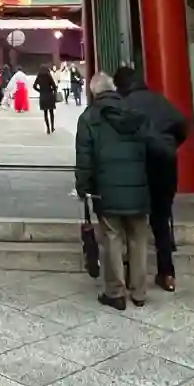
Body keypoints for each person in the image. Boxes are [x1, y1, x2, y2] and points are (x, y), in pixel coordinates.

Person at [75, 71, 153, 309]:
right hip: (138, 186)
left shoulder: (89, 117)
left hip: (106, 188)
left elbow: (84, 159)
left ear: (93, 91)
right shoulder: (134, 112)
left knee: (112, 238)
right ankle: (139, 292)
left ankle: (115, 292)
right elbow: (151, 149)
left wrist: (83, 187)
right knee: (138, 238)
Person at [114, 63, 189, 292]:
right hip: (166, 163)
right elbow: (182, 124)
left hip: (138, 165)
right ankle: (167, 274)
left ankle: (132, 274)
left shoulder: (124, 105)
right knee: (161, 218)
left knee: (132, 220)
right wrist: (170, 144)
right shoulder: (160, 101)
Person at [33, 68, 60, 134]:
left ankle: (48, 128)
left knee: (45, 113)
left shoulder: (39, 77)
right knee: (51, 112)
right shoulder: (49, 76)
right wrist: (52, 89)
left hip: (43, 96)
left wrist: (40, 90)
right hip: (50, 96)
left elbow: (34, 86)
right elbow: (54, 86)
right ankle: (52, 127)